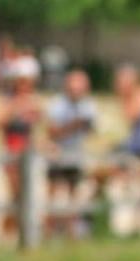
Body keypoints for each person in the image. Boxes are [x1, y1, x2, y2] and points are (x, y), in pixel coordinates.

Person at [0, 62, 44, 236]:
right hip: (12, 151)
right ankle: (7, 232)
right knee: (15, 194)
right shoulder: (8, 102)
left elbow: (37, 127)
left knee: (27, 194)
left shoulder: (33, 101)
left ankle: (21, 232)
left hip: (28, 152)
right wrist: (17, 111)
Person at [46, 69, 98, 218]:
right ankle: (48, 230)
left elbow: (91, 130)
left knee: (74, 195)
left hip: (76, 154)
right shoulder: (57, 104)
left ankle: (71, 231)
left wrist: (83, 125)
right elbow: (52, 132)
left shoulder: (88, 105)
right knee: (53, 194)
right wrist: (74, 125)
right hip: (57, 154)